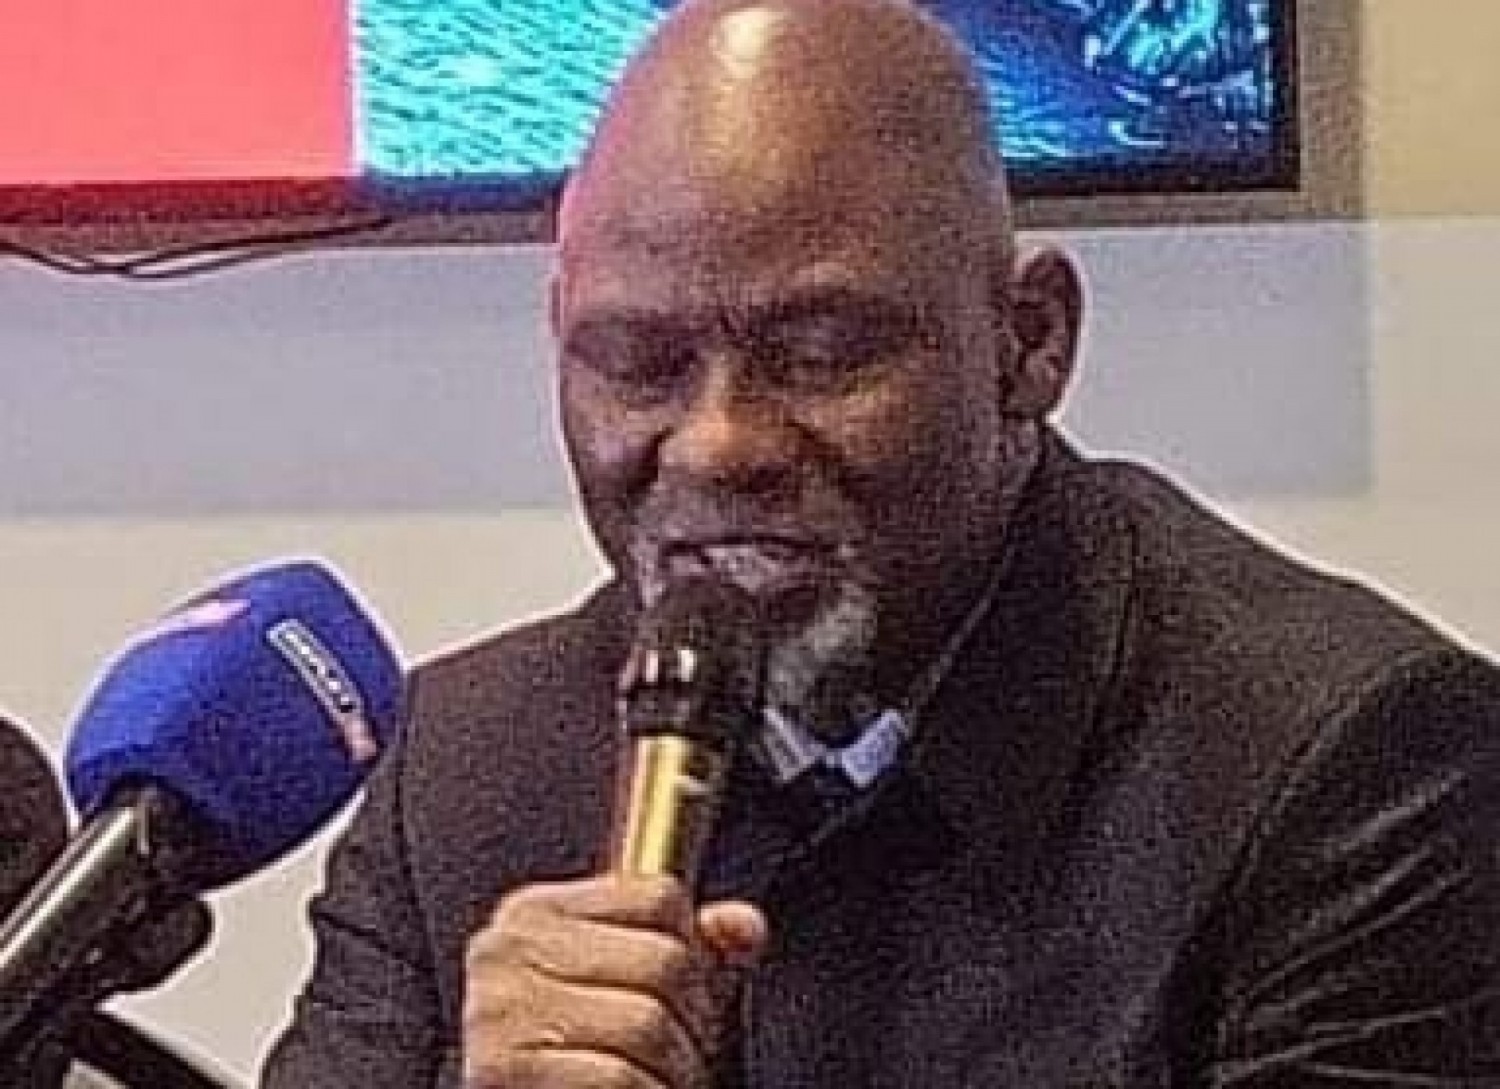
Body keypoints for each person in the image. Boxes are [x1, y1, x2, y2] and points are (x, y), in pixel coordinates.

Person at [262, 0, 1500, 1085]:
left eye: (821, 353)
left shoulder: (1352, 762)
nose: (716, 445)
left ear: (1029, 342)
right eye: (635, 363)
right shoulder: (460, 770)